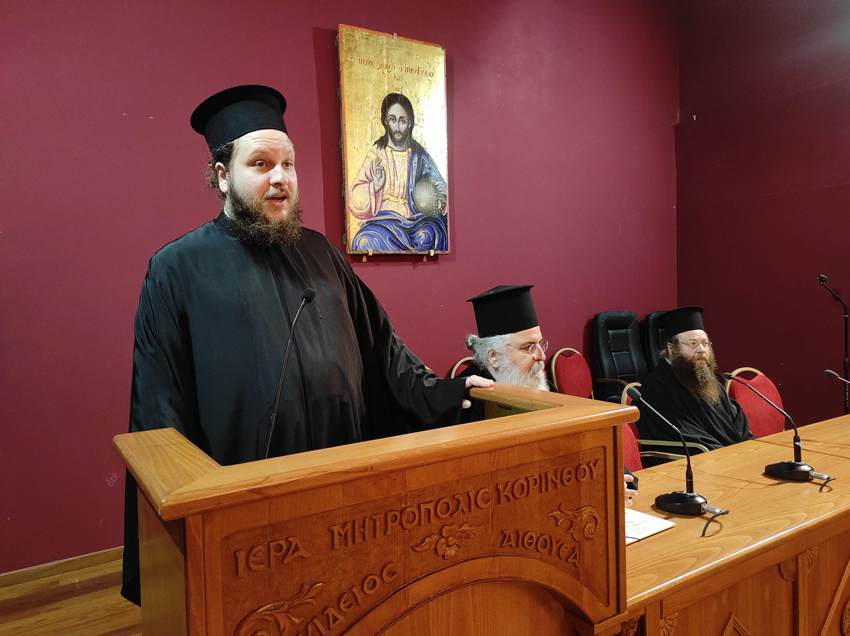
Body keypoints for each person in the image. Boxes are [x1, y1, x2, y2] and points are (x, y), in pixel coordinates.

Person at [121, 84, 491, 605]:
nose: (281, 178)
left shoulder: (322, 253)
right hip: (244, 513)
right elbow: (160, 408)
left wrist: (449, 392)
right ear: (222, 176)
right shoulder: (176, 269)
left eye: (289, 164)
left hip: (346, 492)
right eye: (261, 164)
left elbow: (383, 351)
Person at [461, 285, 638, 504]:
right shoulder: (470, 400)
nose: (541, 356)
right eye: (528, 347)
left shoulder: (538, 385)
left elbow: (580, 440)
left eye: (540, 344)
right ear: (493, 357)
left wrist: (614, 477)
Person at [636, 306, 752, 451]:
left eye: (705, 343)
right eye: (693, 344)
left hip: (731, 455)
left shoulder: (707, 380)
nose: (702, 350)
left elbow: (735, 416)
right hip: (700, 460)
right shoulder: (657, 387)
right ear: (671, 349)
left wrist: (748, 446)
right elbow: (685, 436)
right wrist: (728, 453)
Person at [347, 93, 448, 252]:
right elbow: (355, 195)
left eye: (402, 121)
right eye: (393, 119)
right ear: (385, 121)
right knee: (364, 242)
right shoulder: (376, 154)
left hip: (416, 220)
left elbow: (438, 183)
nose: (398, 127)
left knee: (428, 235)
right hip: (384, 222)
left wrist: (440, 193)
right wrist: (375, 186)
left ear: (410, 123)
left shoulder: (419, 155)